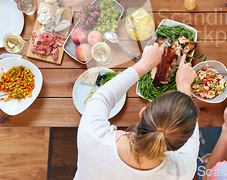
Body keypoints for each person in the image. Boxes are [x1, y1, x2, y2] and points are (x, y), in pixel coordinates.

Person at [75, 43, 200, 179]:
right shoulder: (183, 171)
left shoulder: (93, 135)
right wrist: (184, 87)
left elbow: (101, 98)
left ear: (143, 112)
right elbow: (192, 142)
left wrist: (144, 64)